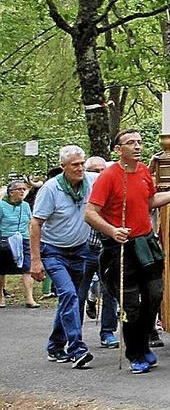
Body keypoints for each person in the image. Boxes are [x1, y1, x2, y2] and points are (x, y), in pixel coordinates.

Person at [85, 129, 170, 374]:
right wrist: (113, 231)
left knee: (155, 295)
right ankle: (135, 352)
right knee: (131, 304)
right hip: (120, 248)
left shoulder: (145, 171)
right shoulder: (108, 176)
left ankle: (143, 343)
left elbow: (150, 203)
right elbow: (90, 213)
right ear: (118, 149)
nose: (136, 146)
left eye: (139, 142)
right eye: (130, 143)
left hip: (146, 243)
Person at [29, 146, 98, 368]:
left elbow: (117, 176)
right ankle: (77, 349)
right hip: (54, 251)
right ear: (63, 167)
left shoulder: (92, 180)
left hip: (79, 250)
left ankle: (55, 346)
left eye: (82, 163)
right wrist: (36, 260)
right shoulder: (50, 189)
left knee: (73, 298)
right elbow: (35, 224)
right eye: (75, 165)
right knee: (68, 294)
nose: (80, 168)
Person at [81, 156, 120, 349]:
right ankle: (73, 336)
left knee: (109, 292)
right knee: (78, 293)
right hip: (86, 249)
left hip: (107, 249)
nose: (99, 174)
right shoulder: (85, 191)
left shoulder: (111, 187)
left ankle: (107, 332)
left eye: (102, 170)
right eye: (94, 171)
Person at [0, 180, 37, 309]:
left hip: (23, 240)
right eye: (19, 189)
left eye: (23, 189)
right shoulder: (1, 205)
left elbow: (30, 222)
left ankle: (29, 298)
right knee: (2, 270)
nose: (22, 191)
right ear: (11, 192)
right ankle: (1, 296)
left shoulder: (26, 206)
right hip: (5, 240)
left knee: (27, 269)